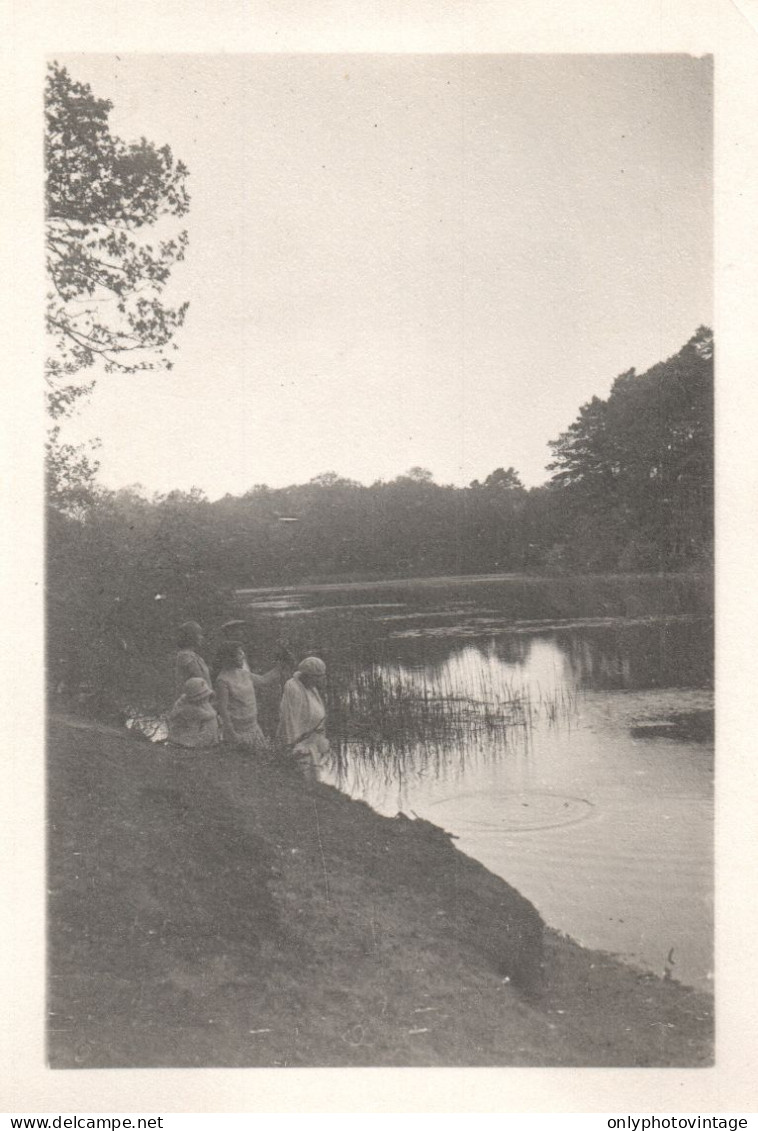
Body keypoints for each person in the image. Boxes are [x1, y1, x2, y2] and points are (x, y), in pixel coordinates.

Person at [214, 640, 281, 751]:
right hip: (238, 732)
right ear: (229, 657)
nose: (243, 656)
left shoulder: (243, 673)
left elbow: (263, 680)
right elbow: (223, 709)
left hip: (253, 728)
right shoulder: (223, 680)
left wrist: (279, 667)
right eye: (239, 653)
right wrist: (232, 734)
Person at [277, 656, 330, 780]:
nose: (320, 681)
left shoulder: (310, 688)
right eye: (318, 677)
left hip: (311, 742)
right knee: (299, 778)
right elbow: (290, 718)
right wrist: (295, 747)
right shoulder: (293, 687)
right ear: (309, 676)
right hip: (299, 745)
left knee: (312, 779)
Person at [166, 677, 220, 749]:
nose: (206, 698)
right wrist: (216, 711)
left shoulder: (187, 701)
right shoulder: (189, 708)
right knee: (211, 721)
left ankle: (211, 741)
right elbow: (210, 715)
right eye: (204, 697)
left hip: (188, 733)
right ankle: (204, 743)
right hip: (186, 738)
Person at [174, 621, 211, 698]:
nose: (202, 637)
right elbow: (199, 677)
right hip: (193, 699)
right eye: (199, 634)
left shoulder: (195, 656)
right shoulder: (185, 656)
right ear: (191, 636)